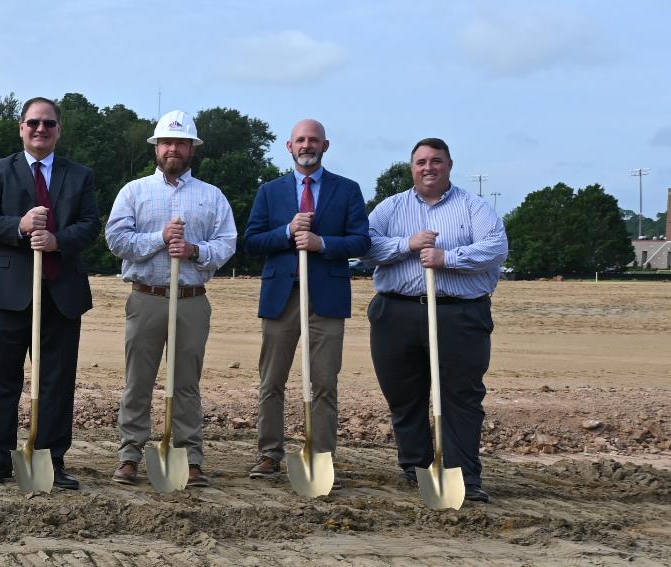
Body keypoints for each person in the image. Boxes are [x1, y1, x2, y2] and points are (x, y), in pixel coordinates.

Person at [362, 138, 506, 504]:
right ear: (412, 167)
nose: (428, 167)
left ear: (449, 165)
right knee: (404, 395)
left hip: (459, 313)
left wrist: (448, 257)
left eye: (436, 161)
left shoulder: (475, 207)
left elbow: (495, 248)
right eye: (421, 162)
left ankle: (463, 475)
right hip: (397, 312)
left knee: (461, 395)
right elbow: (364, 246)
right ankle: (417, 466)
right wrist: (406, 245)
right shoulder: (390, 208)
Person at [0, 97, 102, 489]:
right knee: (0, 377)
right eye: (32, 123)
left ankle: (49, 460)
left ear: (59, 129)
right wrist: (22, 225)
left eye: (48, 123)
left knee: (56, 380)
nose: (40, 129)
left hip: (61, 293)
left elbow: (91, 224)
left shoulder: (80, 176)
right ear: (21, 128)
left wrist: (57, 241)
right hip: (5, 293)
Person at [104, 110, 237, 488]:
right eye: (166, 142)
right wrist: (160, 239)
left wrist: (194, 250)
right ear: (156, 148)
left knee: (186, 384)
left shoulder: (211, 197)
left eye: (180, 143)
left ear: (192, 148)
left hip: (192, 300)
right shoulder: (134, 192)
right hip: (146, 297)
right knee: (138, 380)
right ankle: (130, 455)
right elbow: (117, 241)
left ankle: (190, 457)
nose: (172, 149)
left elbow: (227, 244)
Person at [242, 119, 370, 480]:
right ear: (289, 146)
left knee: (325, 381)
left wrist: (322, 243)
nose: (307, 145)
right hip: (281, 297)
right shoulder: (270, 191)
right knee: (272, 380)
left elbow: (362, 241)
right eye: (300, 140)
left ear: (325, 146)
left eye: (313, 140)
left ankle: (321, 455)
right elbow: (251, 242)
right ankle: (269, 454)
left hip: (326, 297)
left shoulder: (347, 191)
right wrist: (287, 232)